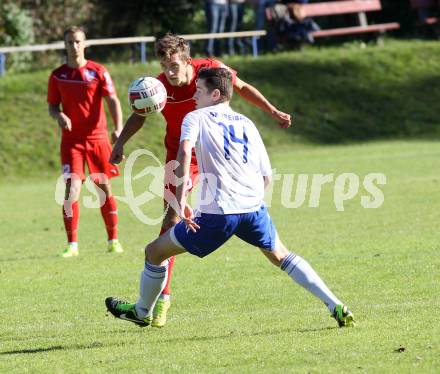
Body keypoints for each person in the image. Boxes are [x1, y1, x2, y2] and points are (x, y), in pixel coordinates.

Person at [105, 67, 355, 329]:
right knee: (281, 255)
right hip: (253, 209)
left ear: (215, 94)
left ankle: (142, 311)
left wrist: (178, 202)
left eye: (198, 91)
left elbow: (184, 154)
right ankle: (335, 304)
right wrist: (251, 203)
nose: (194, 97)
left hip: (217, 216)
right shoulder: (247, 123)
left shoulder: (195, 118)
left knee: (154, 252)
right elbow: (266, 176)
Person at [110, 33, 291, 328]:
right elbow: (140, 115)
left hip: (214, 154)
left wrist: (272, 111)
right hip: (179, 159)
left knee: (227, 212)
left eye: (174, 65)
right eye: (164, 65)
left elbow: (242, 87)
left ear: (187, 60)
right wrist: (120, 145)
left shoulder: (210, 72)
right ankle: (163, 299)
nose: (169, 72)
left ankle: (272, 248)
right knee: (169, 222)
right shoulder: (158, 87)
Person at [47, 26, 124, 258]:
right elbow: (52, 105)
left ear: (85, 43)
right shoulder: (57, 75)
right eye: (69, 42)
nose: (74, 46)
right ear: (65, 45)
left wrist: (118, 128)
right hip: (72, 142)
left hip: (98, 139)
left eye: (78, 42)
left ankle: (113, 239)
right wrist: (59, 115)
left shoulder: (98, 71)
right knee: (72, 190)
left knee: (103, 188)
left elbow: (112, 99)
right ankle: (72, 245)